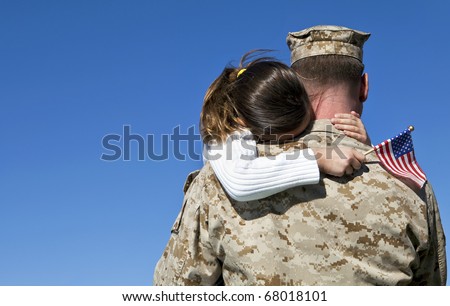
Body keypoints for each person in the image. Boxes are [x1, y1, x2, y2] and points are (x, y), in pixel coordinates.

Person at [153, 25, 446, 285]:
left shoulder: (219, 178)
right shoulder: (407, 183)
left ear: (292, 85)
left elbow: (173, 289)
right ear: (364, 87)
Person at [201, 52, 368, 202]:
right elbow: (239, 181)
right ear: (246, 124)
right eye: (284, 141)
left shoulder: (253, 110)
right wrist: (319, 159)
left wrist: (365, 143)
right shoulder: (227, 133)